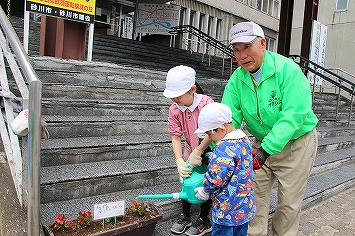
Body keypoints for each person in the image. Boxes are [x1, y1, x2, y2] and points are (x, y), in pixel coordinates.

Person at [219, 21, 319, 236]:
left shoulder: (288, 71)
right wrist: (218, 150)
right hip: (260, 144)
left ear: (262, 44)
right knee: (252, 195)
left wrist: (266, 150)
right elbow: (228, 119)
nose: (242, 55)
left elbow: (293, 115)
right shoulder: (237, 79)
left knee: (289, 203)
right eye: (237, 50)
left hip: (296, 145)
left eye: (247, 47)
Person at [163, 65, 214, 236]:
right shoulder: (175, 109)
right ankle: (185, 215)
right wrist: (179, 160)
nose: (174, 100)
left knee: (205, 184)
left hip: (207, 153)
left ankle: (204, 219)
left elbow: (213, 131)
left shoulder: (206, 104)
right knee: (186, 180)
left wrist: (199, 151)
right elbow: (176, 136)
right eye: (172, 97)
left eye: (177, 96)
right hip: (189, 151)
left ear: (192, 89)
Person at [193, 102, 256, 236]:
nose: (209, 138)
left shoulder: (223, 147)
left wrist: (205, 190)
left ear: (221, 128)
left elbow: (217, 178)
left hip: (226, 211)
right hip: (244, 207)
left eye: (209, 134)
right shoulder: (245, 140)